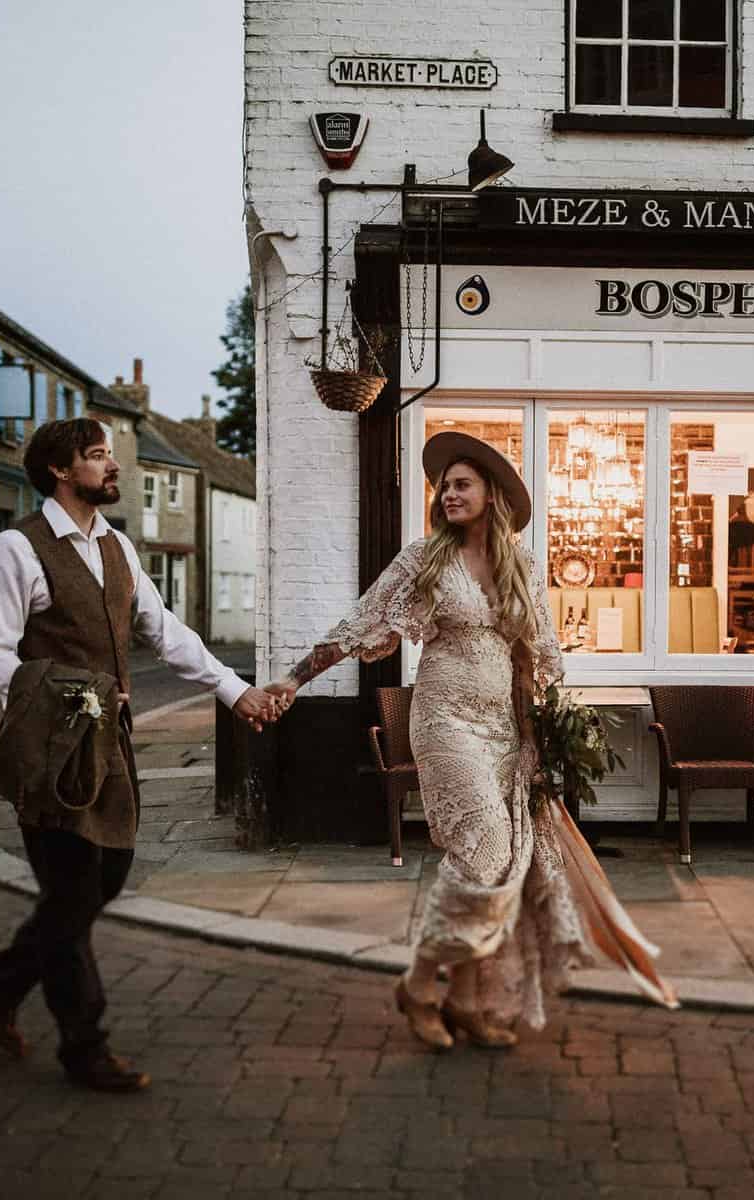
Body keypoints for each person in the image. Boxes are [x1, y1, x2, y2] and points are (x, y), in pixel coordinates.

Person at [269, 431, 676, 1051]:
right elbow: (359, 625)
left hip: (507, 730)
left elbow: (538, 656)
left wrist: (544, 733)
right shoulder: (424, 560)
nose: (449, 493)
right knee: (484, 850)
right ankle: (418, 982)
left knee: (496, 865)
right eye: (445, 486)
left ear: (492, 494)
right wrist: (294, 679)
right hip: (445, 720)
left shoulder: (523, 567)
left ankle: (461, 1001)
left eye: (462, 484)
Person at [0, 418, 285, 1092]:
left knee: (103, 881)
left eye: (110, 455)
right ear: (60, 469)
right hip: (49, 755)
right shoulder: (16, 550)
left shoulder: (116, 547)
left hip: (111, 747)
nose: (112, 467)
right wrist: (60, 701)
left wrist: (236, 692)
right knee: (73, 891)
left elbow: (164, 632)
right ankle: (85, 1044)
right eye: (98, 456)